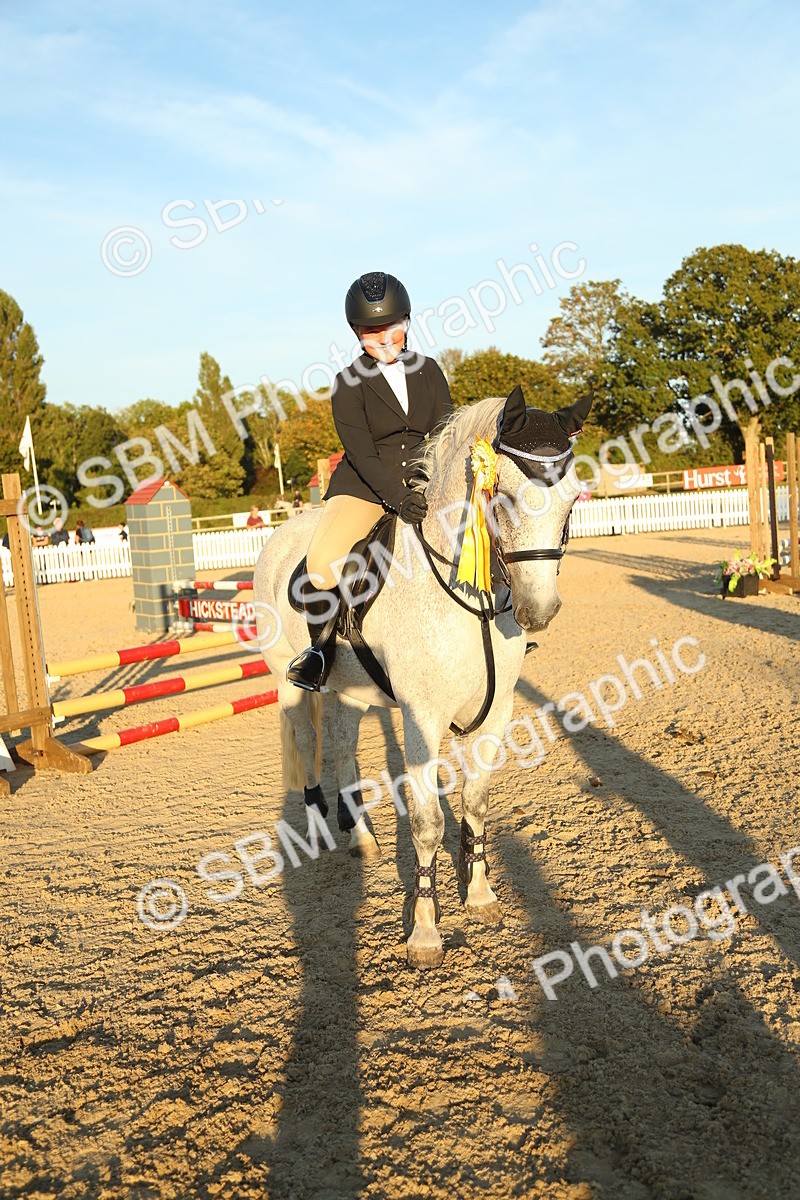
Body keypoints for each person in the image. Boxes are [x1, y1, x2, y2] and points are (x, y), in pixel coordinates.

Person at [286, 271, 453, 692]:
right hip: (363, 486)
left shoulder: (430, 371)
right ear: (356, 332)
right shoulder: (347, 384)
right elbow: (361, 453)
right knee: (323, 563)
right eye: (370, 331)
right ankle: (320, 652)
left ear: (408, 322)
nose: (382, 338)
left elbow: (444, 433)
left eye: (390, 328)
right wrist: (397, 497)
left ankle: (494, 622)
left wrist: (427, 485)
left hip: (424, 481)